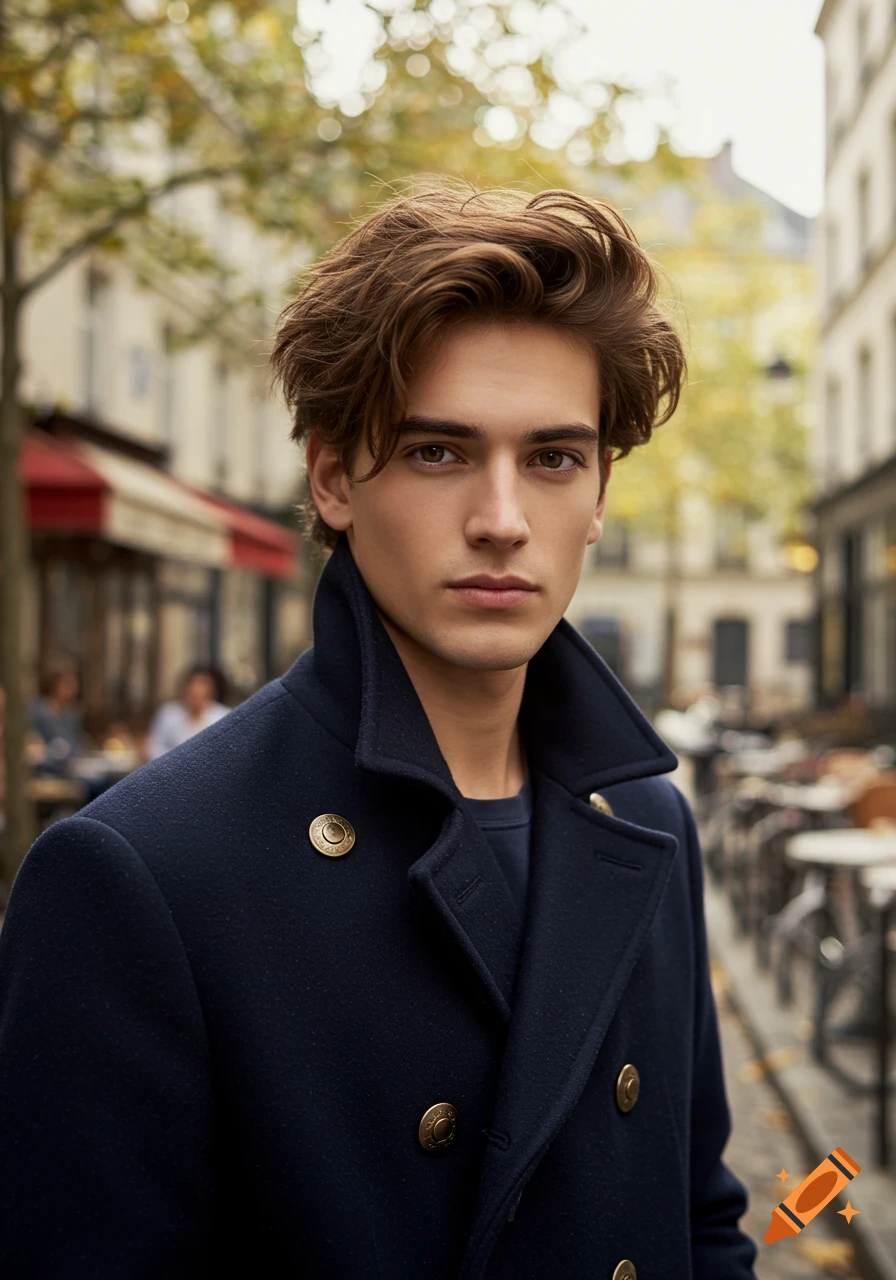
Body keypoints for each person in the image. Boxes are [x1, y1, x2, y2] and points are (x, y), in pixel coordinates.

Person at [0, 179, 758, 1278]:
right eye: (436, 452)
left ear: (597, 494)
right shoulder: (141, 874)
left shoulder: (645, 818)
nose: (501, 520)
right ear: (332, 477)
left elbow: (699, 1218)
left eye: (551, 457)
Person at [143, 664, 230, 760]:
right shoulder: (168, 713)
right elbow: (153, 745)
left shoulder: (222, 716)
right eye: (192, 688)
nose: (196, 692)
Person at [27, 661, 85, 778]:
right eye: (67, 683)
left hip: (71, 767)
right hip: (46, 768)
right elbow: (33, 745)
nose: (72, 688)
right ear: (55, 684)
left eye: (74, 683)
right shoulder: (39, 711)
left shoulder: (72, 713)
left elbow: (75, 745)